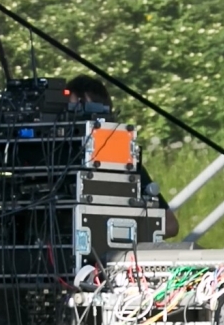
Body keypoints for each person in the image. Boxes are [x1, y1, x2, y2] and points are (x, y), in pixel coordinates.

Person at [64, 74, 180, 237]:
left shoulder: (120, 160)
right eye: (69, 111)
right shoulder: (48, 157)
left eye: (81, 111)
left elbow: (170, 225)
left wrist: (116, 233)